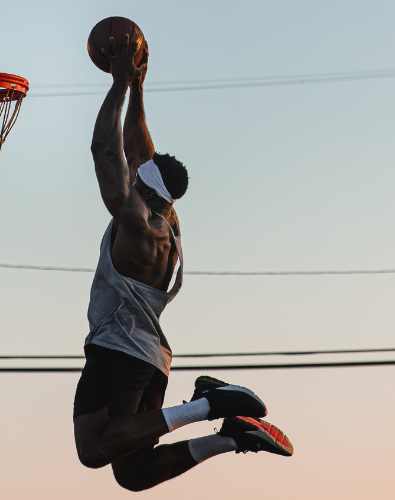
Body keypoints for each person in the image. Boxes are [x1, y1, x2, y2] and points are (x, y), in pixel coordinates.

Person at [73, 34, 294, 492]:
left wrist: (115, 86)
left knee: (94, 448)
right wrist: (137, 84)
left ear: (143, 184)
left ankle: (208, 407)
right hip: (152, 358)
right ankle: (232, 437)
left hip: (119, 350)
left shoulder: (136, 222)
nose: (132, 168)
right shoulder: (166, 220)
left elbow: (106, 152)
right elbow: (135, 147)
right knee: (131, 473)